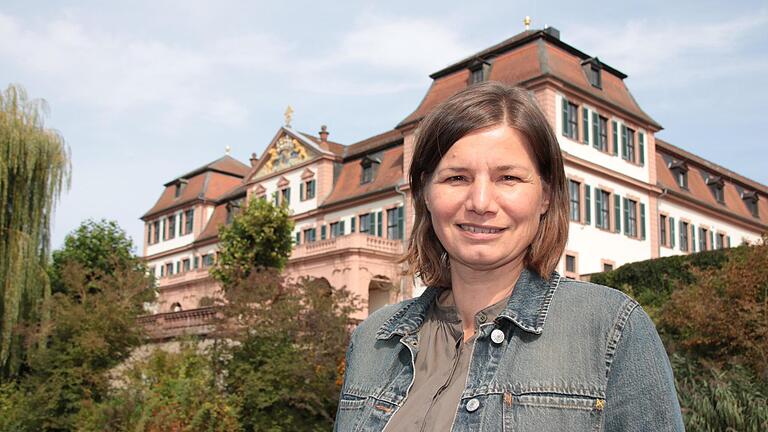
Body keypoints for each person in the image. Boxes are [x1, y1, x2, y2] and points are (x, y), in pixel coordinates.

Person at [334, 82, 684, 431]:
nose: (481, 203)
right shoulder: (373, 340)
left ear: (546, 195)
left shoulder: (611, 330)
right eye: (456, 178)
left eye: (508, 178)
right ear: (425, 193)